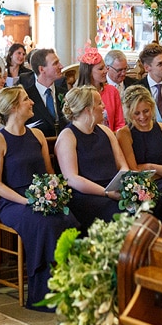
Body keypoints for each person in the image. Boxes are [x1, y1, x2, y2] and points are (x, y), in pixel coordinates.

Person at [0, 87, 81, 307]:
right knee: (45, 223)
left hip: (42, 195)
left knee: (68, 219)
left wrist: (56, 194)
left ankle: (68, 284)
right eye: (26, 100)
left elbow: (49, 173)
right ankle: (45, 294)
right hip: (14, 202)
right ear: (13, 107)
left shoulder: (37, 135)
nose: (32, 103)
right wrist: (29, 201)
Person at [116, 84, 162, 242]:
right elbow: (135, 173)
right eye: (136, 113)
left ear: (152, 108)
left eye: (146, 111)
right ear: (129, 113)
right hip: (141, 189)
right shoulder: (124, 134)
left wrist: (150, 167)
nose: (142, 117)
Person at [54, 86, 126, 231]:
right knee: (119, 213)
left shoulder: (105, 131)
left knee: (146, 208)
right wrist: (106, 192)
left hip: (113, 190)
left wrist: (125, 186)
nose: (103, 106)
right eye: (99, 103)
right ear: (88, 110)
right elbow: (72, 178)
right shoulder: (68, 136)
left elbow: (122, 165)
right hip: (86, 196)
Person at [20, 47, 68, 137]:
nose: (61, 66)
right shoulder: (26, 96)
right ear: (41, 69)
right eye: (55, 63)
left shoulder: (65, 94)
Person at [76, 45, 124, 131]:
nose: (106, 71)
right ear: (89, 72)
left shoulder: (112, 91)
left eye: (105, 67)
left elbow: (120, 123)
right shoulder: (78, 96)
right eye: (101, 69)